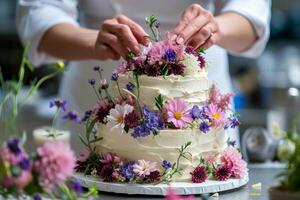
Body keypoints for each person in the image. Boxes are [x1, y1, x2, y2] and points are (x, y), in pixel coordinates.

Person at [16, 0, 271, 151]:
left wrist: (216, 27)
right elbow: (39, 15)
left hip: (200, 97)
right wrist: (95, 41)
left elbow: (251, 13)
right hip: (95, 98)